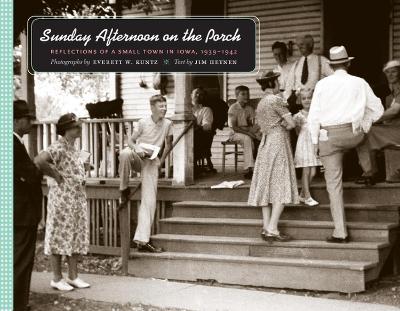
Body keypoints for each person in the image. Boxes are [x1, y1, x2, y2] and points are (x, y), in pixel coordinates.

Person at [308, 46, 384, 243]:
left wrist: (315, 142)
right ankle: (368, 170)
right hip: (353, 134)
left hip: (329, 137)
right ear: (348, 63)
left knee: (334, 186)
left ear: (331, 66)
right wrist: (363, 125)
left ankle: (340, 232)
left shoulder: (322, 85)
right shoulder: (359, 82)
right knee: (365, 136)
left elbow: (313, 116)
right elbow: (378, 110)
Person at [36, 113, 91, 291]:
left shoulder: (74, 148)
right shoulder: (58, 147)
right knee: (59, 236)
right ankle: (56, 278)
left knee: (75, 235)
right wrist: (55, 175)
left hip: (76, 199)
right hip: (62, 200)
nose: (79, 129)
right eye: (75, 126)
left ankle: (73, 276)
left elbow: (69, 166)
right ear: (66, 130)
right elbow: (39, 161)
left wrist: (83, 168)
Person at [248, 71, 298, 242]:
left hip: (266, 143)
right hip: (278, 142)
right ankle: (273, 228)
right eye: (277, 81)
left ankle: (266, 226)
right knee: (281, 183)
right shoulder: (276, 100)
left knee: (267, 184)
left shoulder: (261, 102)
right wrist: (292, 121)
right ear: (272, 83)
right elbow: (291, 124)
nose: (278, 84)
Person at [118, 95, 172, 252]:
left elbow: (168, 144)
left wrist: (161, 161)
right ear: (152, 108)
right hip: (138, 157)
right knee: (124, 153)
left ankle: (142, 240)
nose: (164, 109)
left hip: (151, 161)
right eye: (161, 106)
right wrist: (137, 148)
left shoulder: (168, 124)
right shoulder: (142, 122)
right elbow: (130, 141)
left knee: (149, 200)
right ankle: (123, 188)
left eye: (165, 105)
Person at [14, 100, 43, 311]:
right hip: (21, 213)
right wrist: (39, 167)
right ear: (16, 121)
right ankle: (16, 304)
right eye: (27, 120)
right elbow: (30, 175)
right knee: (21, 261)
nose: (30, 124)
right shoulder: (13, 144)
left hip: (18, 212)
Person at [356, 60, 400, 184]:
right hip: (394, 129)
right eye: (387, 72)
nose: (390, 75)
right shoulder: (392, 93)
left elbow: (394, 111)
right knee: (365, 131)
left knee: (367, 132)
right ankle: (371, 171)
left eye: (394, 72)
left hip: (398, 131)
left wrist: (372, 120)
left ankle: (371, 172)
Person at [285, 34, 333, 113]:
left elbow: (334, 79)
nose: (299, 47)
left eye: (302, 44)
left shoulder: (322, 61)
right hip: (299, 105)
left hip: (317, 103)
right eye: (298, 45)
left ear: (310, 44)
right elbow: (289, 85)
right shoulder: (297, 64)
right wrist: (289, 101)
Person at [293, 89, 321, 206]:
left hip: (313, 144)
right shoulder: (298, 116)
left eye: (309, 98)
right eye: (304, 98)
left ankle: (302, 195)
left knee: (313, 172)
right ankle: (308, 196)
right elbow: (297, 132)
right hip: (304, 144)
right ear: (300, 100)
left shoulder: (316, 113)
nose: (307, 100)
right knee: (306, 171)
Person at [228, 85, 261, 179]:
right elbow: (234, 127)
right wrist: (250, 133)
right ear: (237, 96)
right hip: (235, 133)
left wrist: (256, 132)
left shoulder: (249, 109)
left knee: (261, 137)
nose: (246, 96)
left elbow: (252, 124)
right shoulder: (233, 108)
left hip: (247, 131)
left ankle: (260, 167)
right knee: (248, 139)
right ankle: (249, 169)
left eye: (248, 94)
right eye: (243, 94)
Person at [192, 87, 215, 175]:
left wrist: (197, 125)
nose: (198, 95)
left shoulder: (206, 110)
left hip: (198, 136)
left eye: (201, 94)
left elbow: (207, 126)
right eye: (196, 93)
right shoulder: (185, 110)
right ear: (191, 95)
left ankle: (193, 166)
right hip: (183, 136)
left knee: (196, 136)